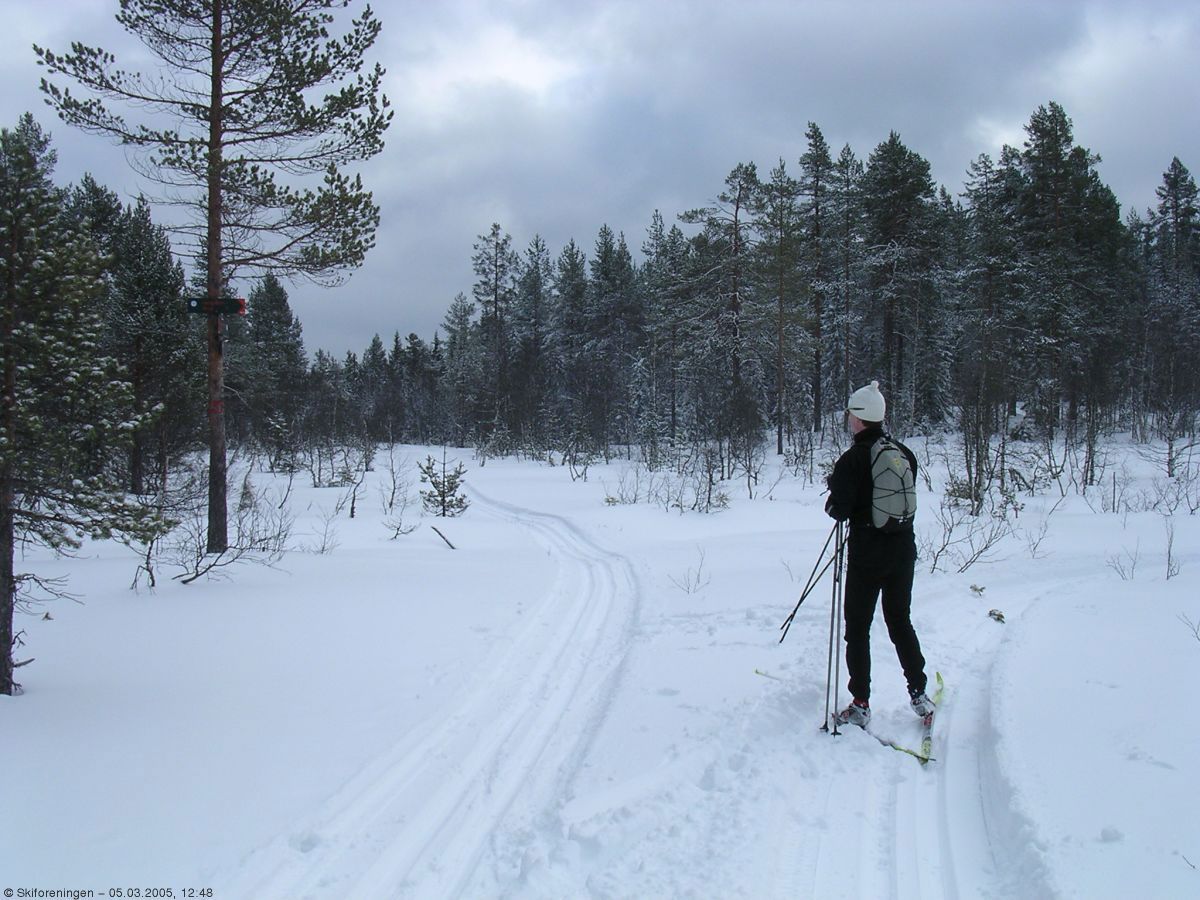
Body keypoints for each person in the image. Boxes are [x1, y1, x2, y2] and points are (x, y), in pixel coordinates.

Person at [824, 380, 933, 727]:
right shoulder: (904, 453)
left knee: (858, 627)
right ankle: (919, 692)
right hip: (903, 550)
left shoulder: (851, 459)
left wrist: (835, 499)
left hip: (867, 555)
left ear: (858, 418)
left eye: (851, 415)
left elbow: (840, 510)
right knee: (900, 621)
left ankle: (861, 702)